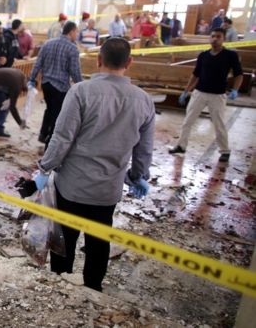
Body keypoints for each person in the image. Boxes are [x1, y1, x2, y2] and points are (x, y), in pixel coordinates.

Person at [31, 38, 154, 292]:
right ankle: (92, 289)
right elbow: (144, 148)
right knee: (99, 242)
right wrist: (138, 176)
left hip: (72, 186)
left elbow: (62, 137)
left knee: (65, 239)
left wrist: (45, 168)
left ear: (98, 61)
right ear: (129, 63)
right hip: (107, 190)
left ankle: (60, 285)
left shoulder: (81, 92)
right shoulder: (143, 100)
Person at [169, 28, 243, 162]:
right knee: (187, 122)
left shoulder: (230, 55)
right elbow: (196, 74)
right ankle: (181, 146)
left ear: (223, 39)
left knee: (218, 124)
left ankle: (225, 150)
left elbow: (239, 74)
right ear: (210, 38)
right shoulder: (203, 55)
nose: (215, 39)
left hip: (217, 95)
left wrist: (235, 89)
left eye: (218, 37)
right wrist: (186, 91)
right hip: (199, 93)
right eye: (213, 36)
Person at [28, 21, 83, 149]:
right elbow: (74, 71)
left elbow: (38, 63)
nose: (77, 34)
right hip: (61, 86)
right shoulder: (72, 48)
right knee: (57, 114)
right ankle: (49, 143)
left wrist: (32, 78)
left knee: (49, 108)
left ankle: (43, 134)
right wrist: (81, 86)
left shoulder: (48, 43)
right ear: (71, 32)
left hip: (46, 84)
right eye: (76, 32)